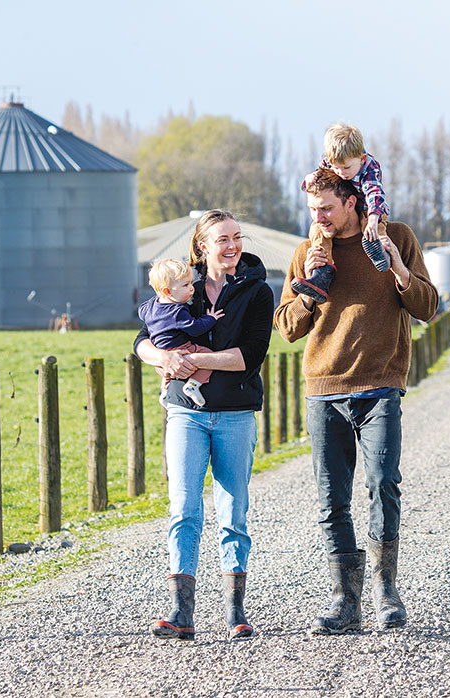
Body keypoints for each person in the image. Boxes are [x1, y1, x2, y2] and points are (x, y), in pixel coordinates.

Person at [274, 168, 438, 634]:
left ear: (352, 200)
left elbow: (427, 307)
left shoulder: (396, 237)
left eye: (326, 207)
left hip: (379, 385)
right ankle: (346, 600)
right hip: (324, 390)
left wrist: (399, 269)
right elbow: (286, 327)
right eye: (312, 210)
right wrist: (312, 288)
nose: (319, 217)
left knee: (384, 482)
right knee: (331, 500)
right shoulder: (309, 252)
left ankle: (386, 591)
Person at [134, 209, 274, 641]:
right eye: (222, 239)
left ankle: (235, 614)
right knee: (184, 509)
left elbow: (250, 355)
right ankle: (181, 614)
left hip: (235, 414)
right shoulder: (180, 285)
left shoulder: (258, 292)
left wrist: (191, 360)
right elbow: (141, 340)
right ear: (202, 247)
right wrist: (164, 358)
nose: (232, 246)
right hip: (185, 413)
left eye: (237, 237)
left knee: (232, 512)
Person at [290, 122, 391, 303]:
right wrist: (309, 179)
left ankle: (381, 251)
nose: (340, 173)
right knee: (317, 231)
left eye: (346, 168)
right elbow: (319, 180)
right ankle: (322, 272)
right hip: (347, 201)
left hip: (369, 208)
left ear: (360, 159)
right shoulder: (330, 160)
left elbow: (375, 194)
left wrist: (374, 220)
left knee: (370, 227)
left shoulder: (369, 167)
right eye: (336, 167)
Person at [137, 258, 225, 407]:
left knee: (166, 371)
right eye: (185, 285)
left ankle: (165, 390)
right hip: (180, 349)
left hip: (160, 350)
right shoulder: (177, 312)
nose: (192, 288)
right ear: (167, 291)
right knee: (208, 356)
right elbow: (195, 328)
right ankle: (193, 385)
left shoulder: (150, 305)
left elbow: (141, 313)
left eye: (191, 283)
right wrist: (210, 319)